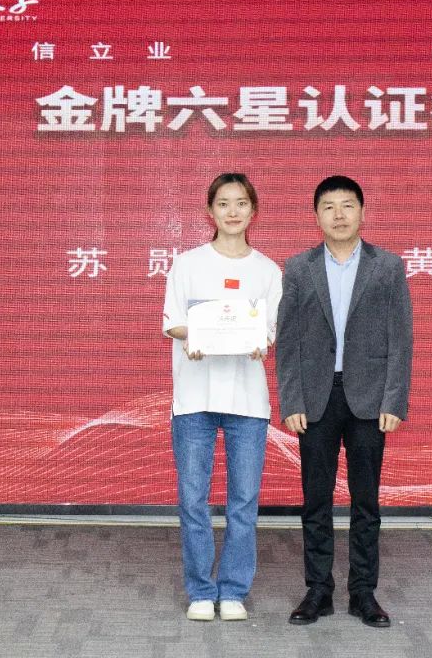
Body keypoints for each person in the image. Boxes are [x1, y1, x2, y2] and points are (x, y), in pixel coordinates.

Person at [276, 175, 413, 628]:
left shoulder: (387, 266)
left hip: (370, 399)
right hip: (315, 397)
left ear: (362, 212)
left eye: (348, 205)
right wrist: (291, 398)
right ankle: (318, 590)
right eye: (329, 207)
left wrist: (394, 399)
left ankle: (363, 593)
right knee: (315, 500)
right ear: (316, 216)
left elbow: (401, 338)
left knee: (366, 502)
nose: (339, 215)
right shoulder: (298, 268)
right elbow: (288, 341)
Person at [162, 172, 282, 622]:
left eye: (241, 203)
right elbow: (172, 321)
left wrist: (259, 342)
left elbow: (268, 331)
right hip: (194, 398)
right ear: (210, 211)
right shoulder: (187, 264)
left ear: (254, 210)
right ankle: (199, 590)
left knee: (243, 501)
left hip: (247, 402)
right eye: (224, 203)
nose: (233, 211)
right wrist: (195, 334)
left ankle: (232, 591)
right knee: (193, 499)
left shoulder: (268, 271)